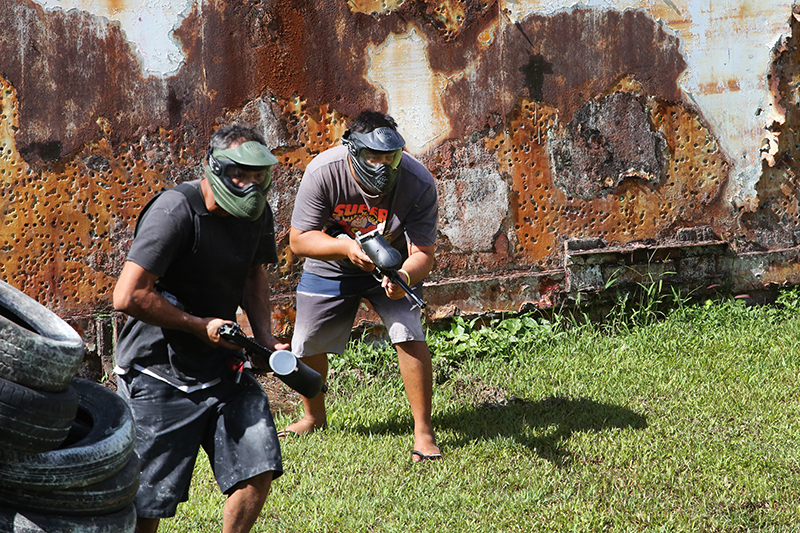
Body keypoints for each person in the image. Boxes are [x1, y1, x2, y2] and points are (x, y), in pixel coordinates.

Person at [112, 124, 288, 533]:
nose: (249, 186)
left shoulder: (256, 212)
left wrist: (263, 336)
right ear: (214, 168)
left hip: (222, 364)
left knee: (258, 467)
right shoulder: (175, 211)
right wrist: (197, 326)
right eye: (239, 175)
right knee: (149, 501)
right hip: (157, 371)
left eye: (258, 176)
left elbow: (252, 275)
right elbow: (128, 296)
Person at [286, 110, 441, 462]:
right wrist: (344, 247)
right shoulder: (324, 171)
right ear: (353, 151)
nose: (384, 165)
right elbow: (299, 240)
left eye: (390, 157)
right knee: (307, 338)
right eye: (374, 156)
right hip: (330, 263)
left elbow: (424, 254)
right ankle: (312, 416)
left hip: (392, 266)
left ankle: (423, 430)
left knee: (408, 330)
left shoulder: (418, 182)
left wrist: (404, 277)